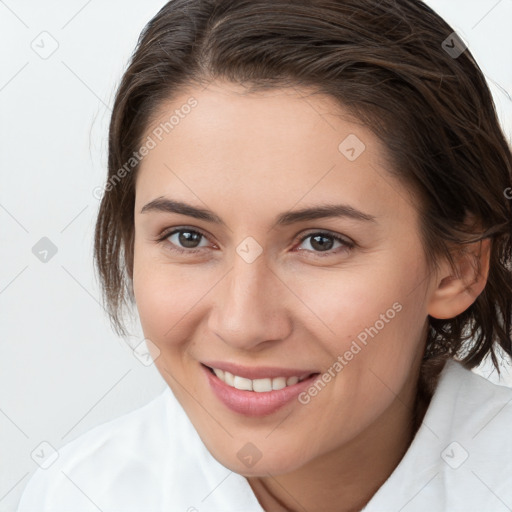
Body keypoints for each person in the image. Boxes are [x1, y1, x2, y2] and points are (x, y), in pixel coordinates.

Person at [17, 0, 512, 510]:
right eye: (188, 237)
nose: (243, 324)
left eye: (322, 241)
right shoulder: (77, 496)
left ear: (458, 265)